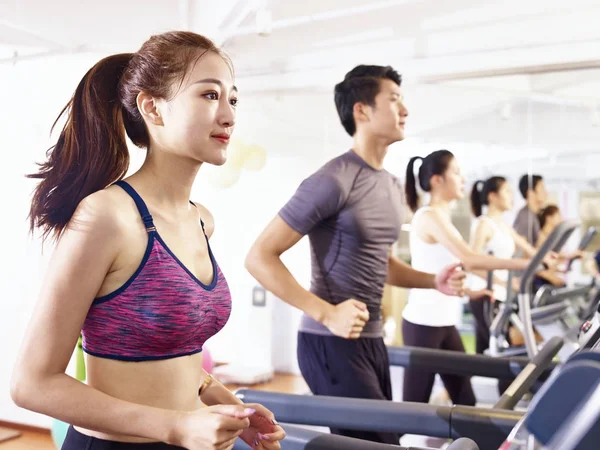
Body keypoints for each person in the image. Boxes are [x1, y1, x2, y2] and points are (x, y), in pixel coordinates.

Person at [10, 31, 284, 450]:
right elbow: (31, 383)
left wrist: (218, 397)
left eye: (233, 99)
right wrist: (175, 426)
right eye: (209, 95)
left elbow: (166, 350)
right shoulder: (106, 216)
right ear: (152, 107)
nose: (229, 115)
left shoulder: (201, 221)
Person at [244, 65, 466, 445]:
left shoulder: (392, 186)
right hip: (329, 342)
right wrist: (327, 313)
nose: (405, 109)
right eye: (394, 99)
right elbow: (260, 256)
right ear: (361, 111)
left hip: (372, 338)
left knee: (379, 440)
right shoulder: (333, 180)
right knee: (379, 442)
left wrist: (432, 281)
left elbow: (383, 264)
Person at [402, 151, 556, 406]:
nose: (463, 179)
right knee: (413, 406)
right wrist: (529, 264)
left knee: (466, 402)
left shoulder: (443, 218)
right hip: (423, 324)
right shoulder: (427, 216)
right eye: (456, 173)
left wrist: (473, 291)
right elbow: (470, 259)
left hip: (445, 322)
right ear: (437, 181)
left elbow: (450, 267)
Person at [513, 174, 548, 247]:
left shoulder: (533, 215)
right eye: (542, 188)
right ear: (530, 193)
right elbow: (521, 252)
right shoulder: (525, 217)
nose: (545, 192)